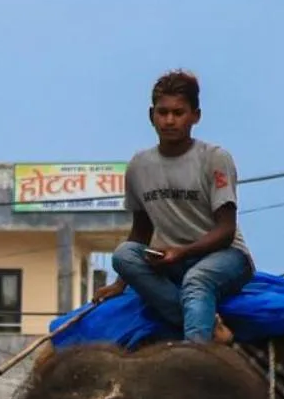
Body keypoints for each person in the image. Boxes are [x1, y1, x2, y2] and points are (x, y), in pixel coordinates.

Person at [102, 70, 255, 344]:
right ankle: (210, 324)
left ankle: (195, 353)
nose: (169, 120)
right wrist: (120, 283)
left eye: (178, 112)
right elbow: (141, 231)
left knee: (196, 281)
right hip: (170, 260)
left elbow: (226, 229)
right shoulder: (139, 166)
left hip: (223, 256)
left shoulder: (215, 159)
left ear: (195, 116)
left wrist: (182, 252)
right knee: (123, 255)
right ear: (152, 116)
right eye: (163, 113)